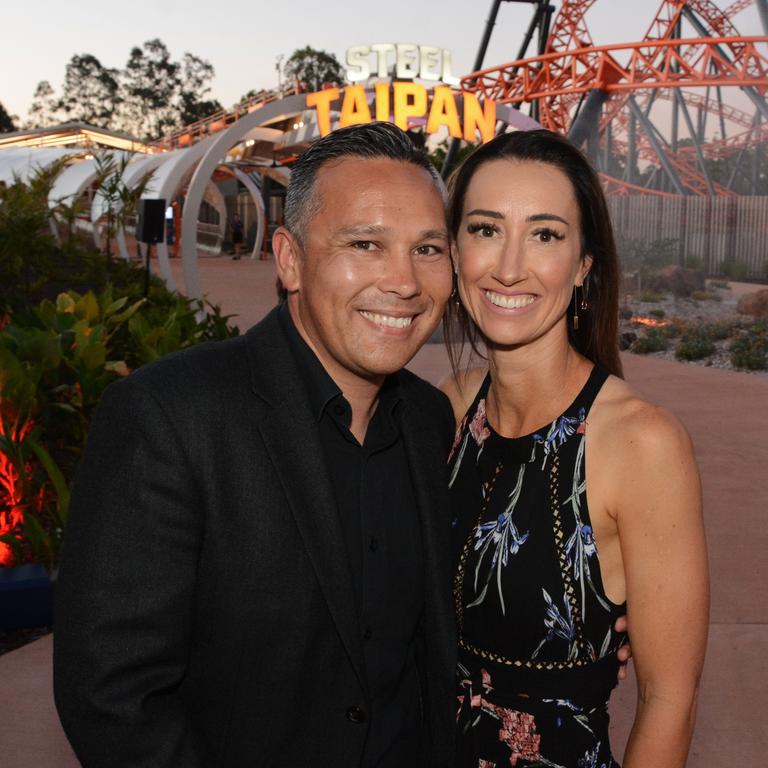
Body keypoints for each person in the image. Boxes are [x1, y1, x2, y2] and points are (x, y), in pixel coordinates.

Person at [54, 123, 457, 767]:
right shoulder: (171, 416)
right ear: (291, 260)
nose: (405, 282)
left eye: (428, 249)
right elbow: (113, 698)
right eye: (365, 243)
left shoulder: (431, 420)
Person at [441, 130, 709, 767]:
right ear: (453, 252)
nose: (509, 266)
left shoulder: (640, 443)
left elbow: (669, 701)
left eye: (545, 234)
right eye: (484, 229)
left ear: (585, 263)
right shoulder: (447, 409)